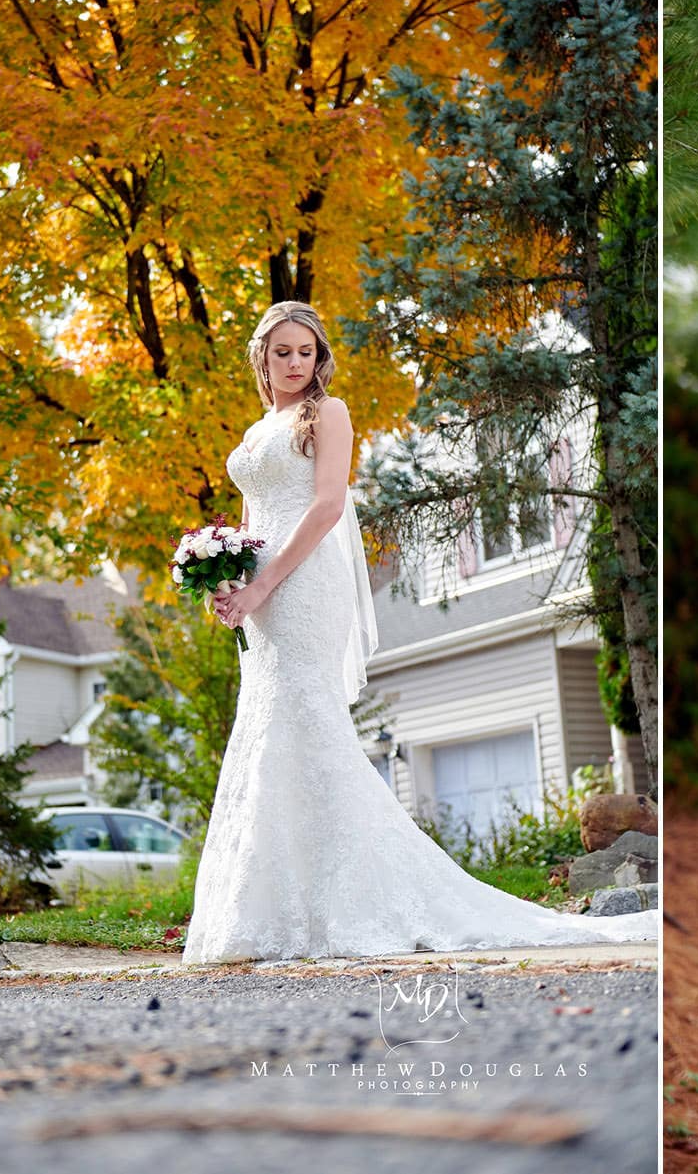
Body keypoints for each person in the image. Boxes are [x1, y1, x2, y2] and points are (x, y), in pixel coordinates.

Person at [182, 300, 660, 964]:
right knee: (268, 722)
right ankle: (275, 909)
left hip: (305, 583)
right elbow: (251, 517)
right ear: (261, 357)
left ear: (319, 358)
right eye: (282, 351)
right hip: (261, 593)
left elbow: (327, 506)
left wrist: (265, 584)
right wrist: (231, 577)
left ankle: (349, 902)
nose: (295, 363)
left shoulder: (329, 413)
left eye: (306, 352)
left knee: (305, 718)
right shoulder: (259, 427)